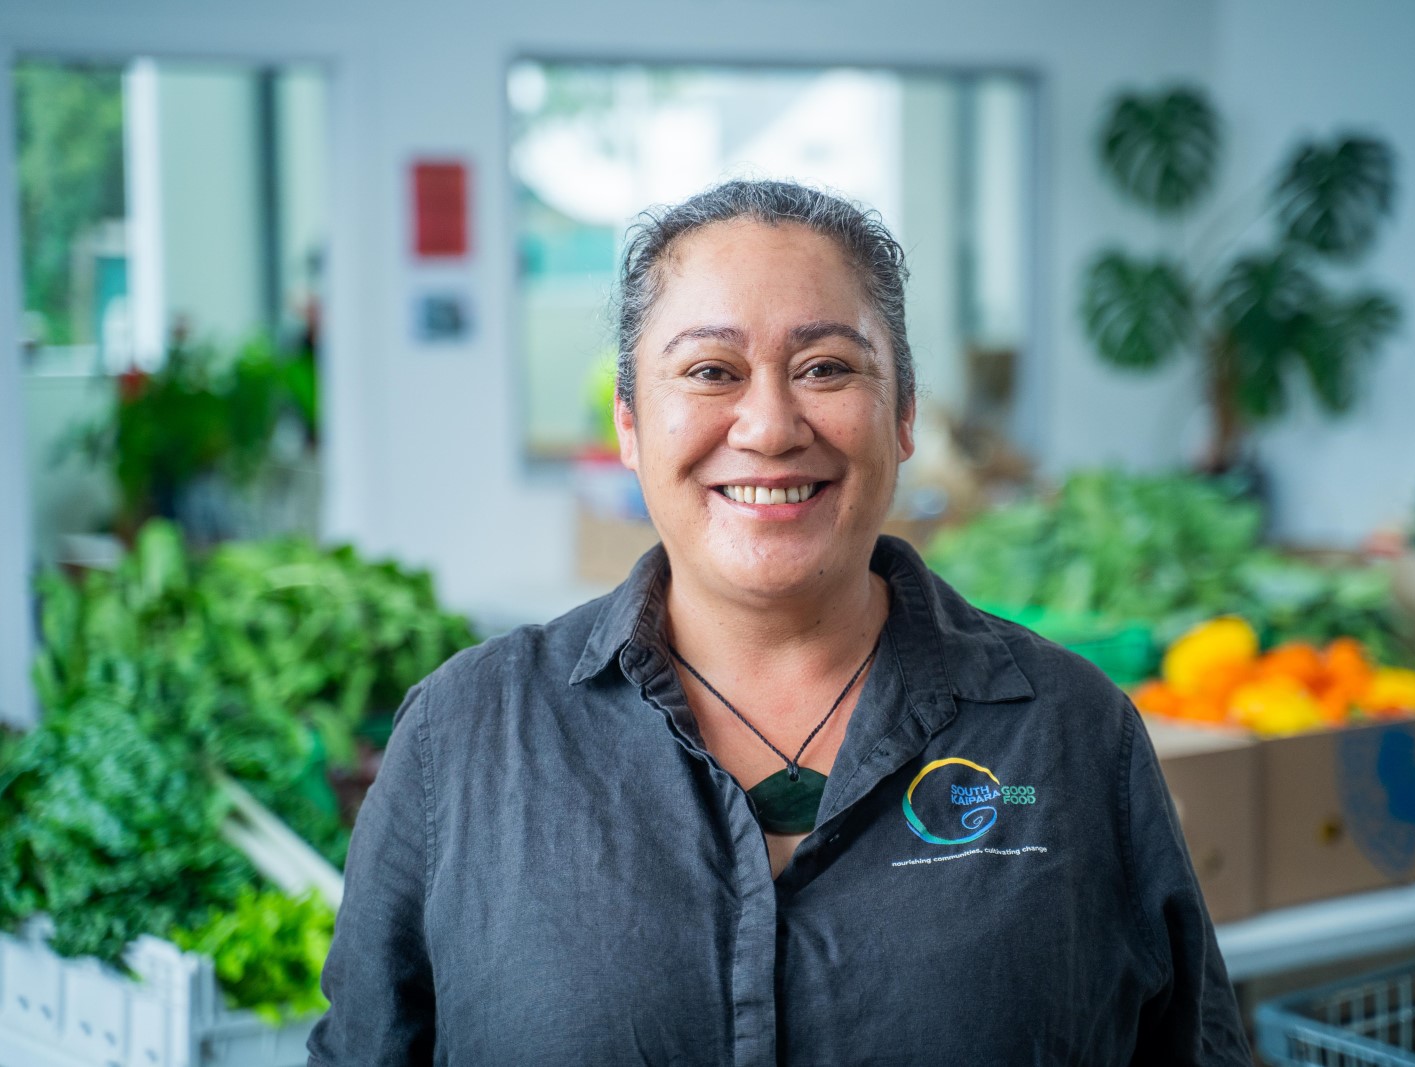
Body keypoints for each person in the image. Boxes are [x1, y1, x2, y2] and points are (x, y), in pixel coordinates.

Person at [308, 179, 1253, 1065]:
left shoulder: (1071, 730)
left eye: (826, 367)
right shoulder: (465, 736)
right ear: (630, 426)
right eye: (711, 369)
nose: (768, 424)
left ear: (905, 416)